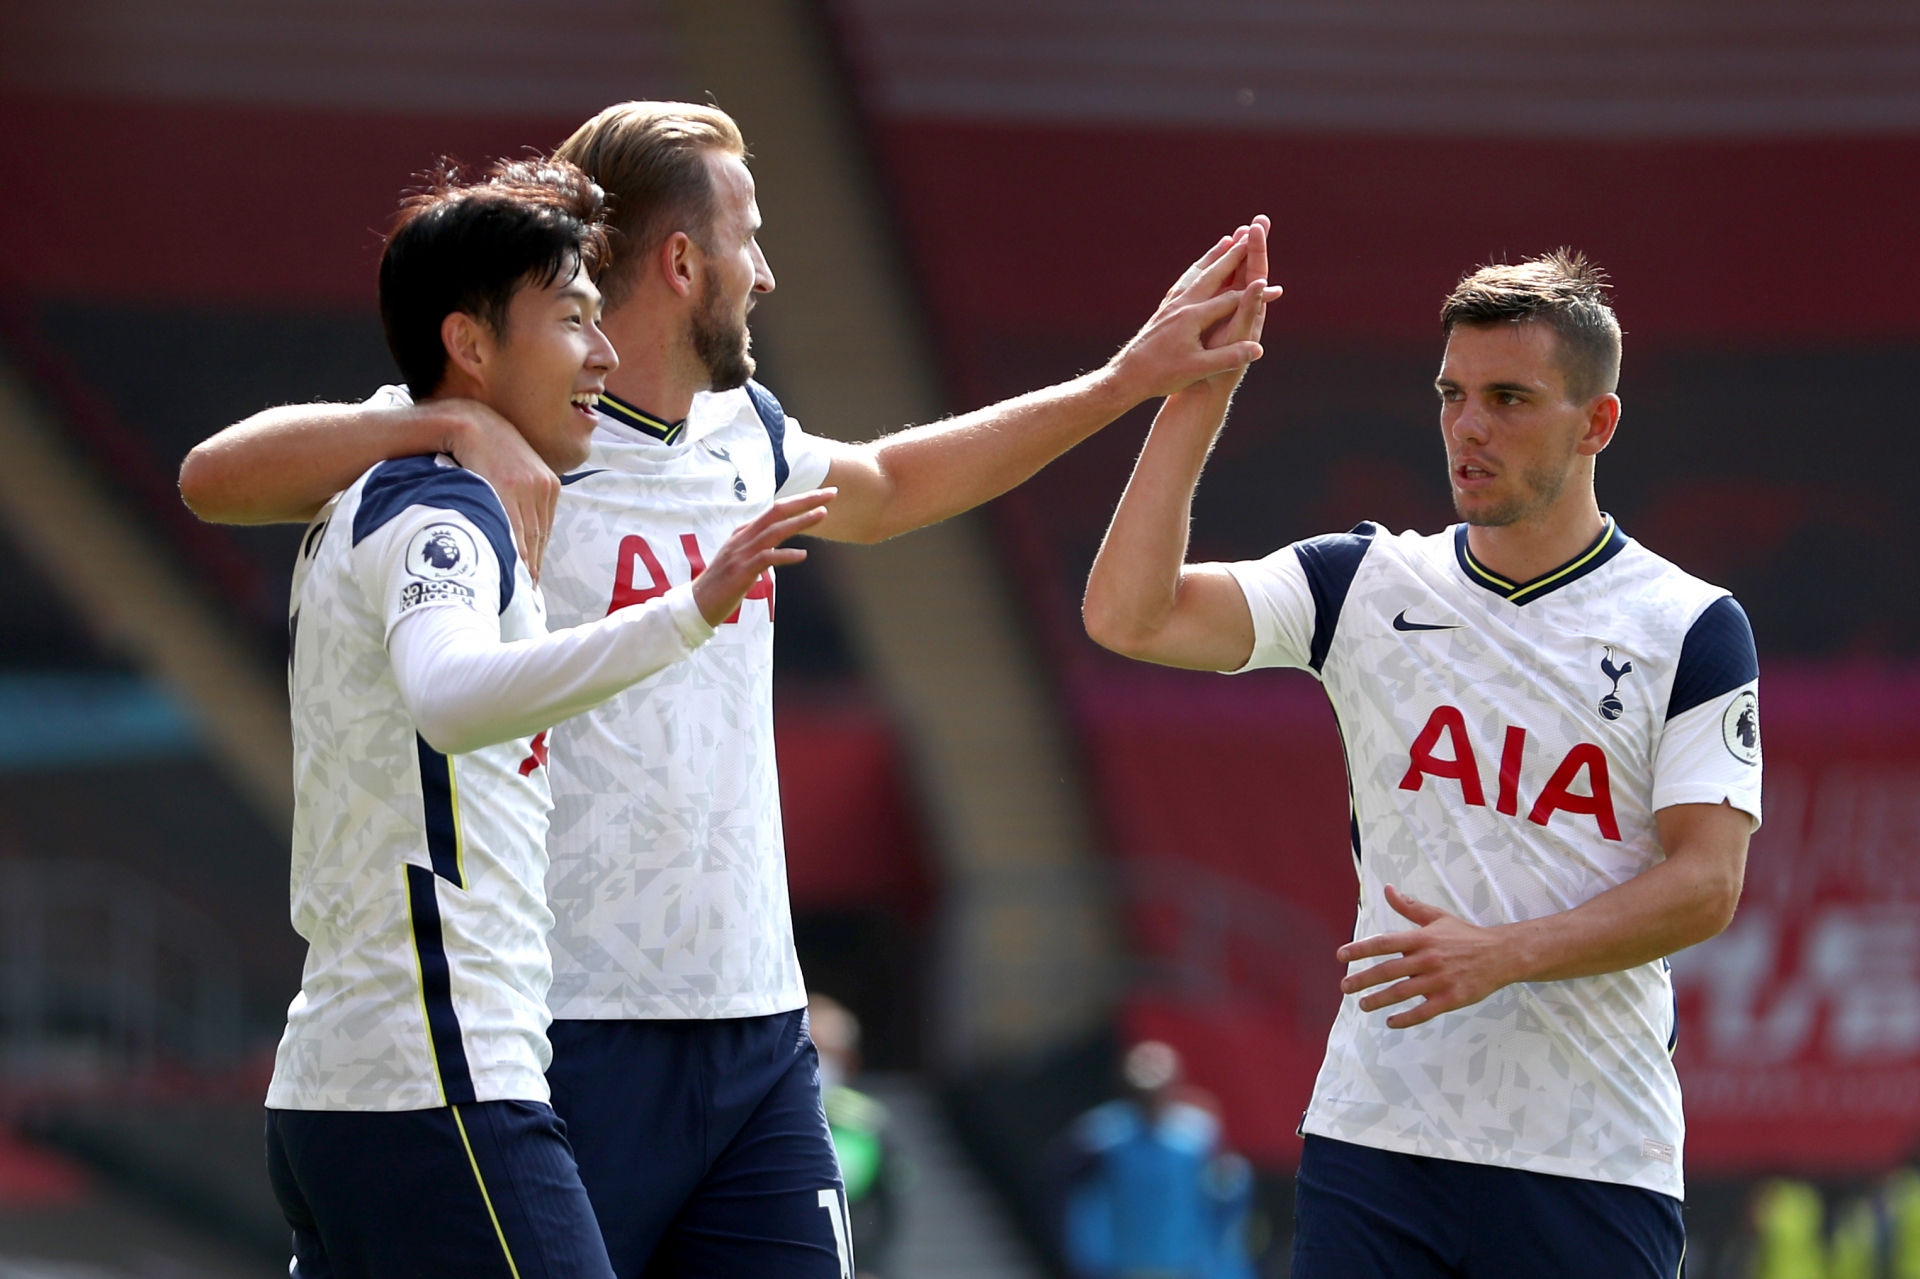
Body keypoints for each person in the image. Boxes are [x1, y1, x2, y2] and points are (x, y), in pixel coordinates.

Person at [180, 102, 1276, 1277]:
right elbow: (215, 477)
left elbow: (893, 481)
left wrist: (1122, 382)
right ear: (684, 260)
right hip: (563, 1025)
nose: (765, 272)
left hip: (755, 1030)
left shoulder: (743, 433)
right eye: (747, 236)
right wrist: (439, 419)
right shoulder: (509, 430)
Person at [1083, 239, 1761, 1277]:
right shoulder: (1363, 581)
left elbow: (1708, 885)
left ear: (1598, 422)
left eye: (1508, 398)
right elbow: (1129, 615)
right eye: (1451, 394)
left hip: (1589, 1150)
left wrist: (1504, 952)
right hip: (1377, 1135)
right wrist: (1195, 399)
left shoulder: (1692, 625)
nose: (1468, 427)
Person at [263, 158, 831, 1279]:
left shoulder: (380, 491)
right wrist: (683, 615)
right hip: (436, 1083)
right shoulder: (444, 515)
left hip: (365, 1080)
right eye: (572, 320)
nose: (603, 352)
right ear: (471, 345)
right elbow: (449, 694)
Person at [1062, 1040, 1255, 1279]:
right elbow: (1078, 1200)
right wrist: (1089, 1257)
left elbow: (1229, 1197)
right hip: (1124, 1267)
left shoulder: (1198, 1134)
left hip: (1186, 1266)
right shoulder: (1103, 1137)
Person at [808, 993, 900, 1276]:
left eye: (830, 1052)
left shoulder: (864, 1125)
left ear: (850, 1061)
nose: (821, 1061)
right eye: (812, 1048)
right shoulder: (755, 1118)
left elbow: (886, 1207)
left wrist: (869, 1266)